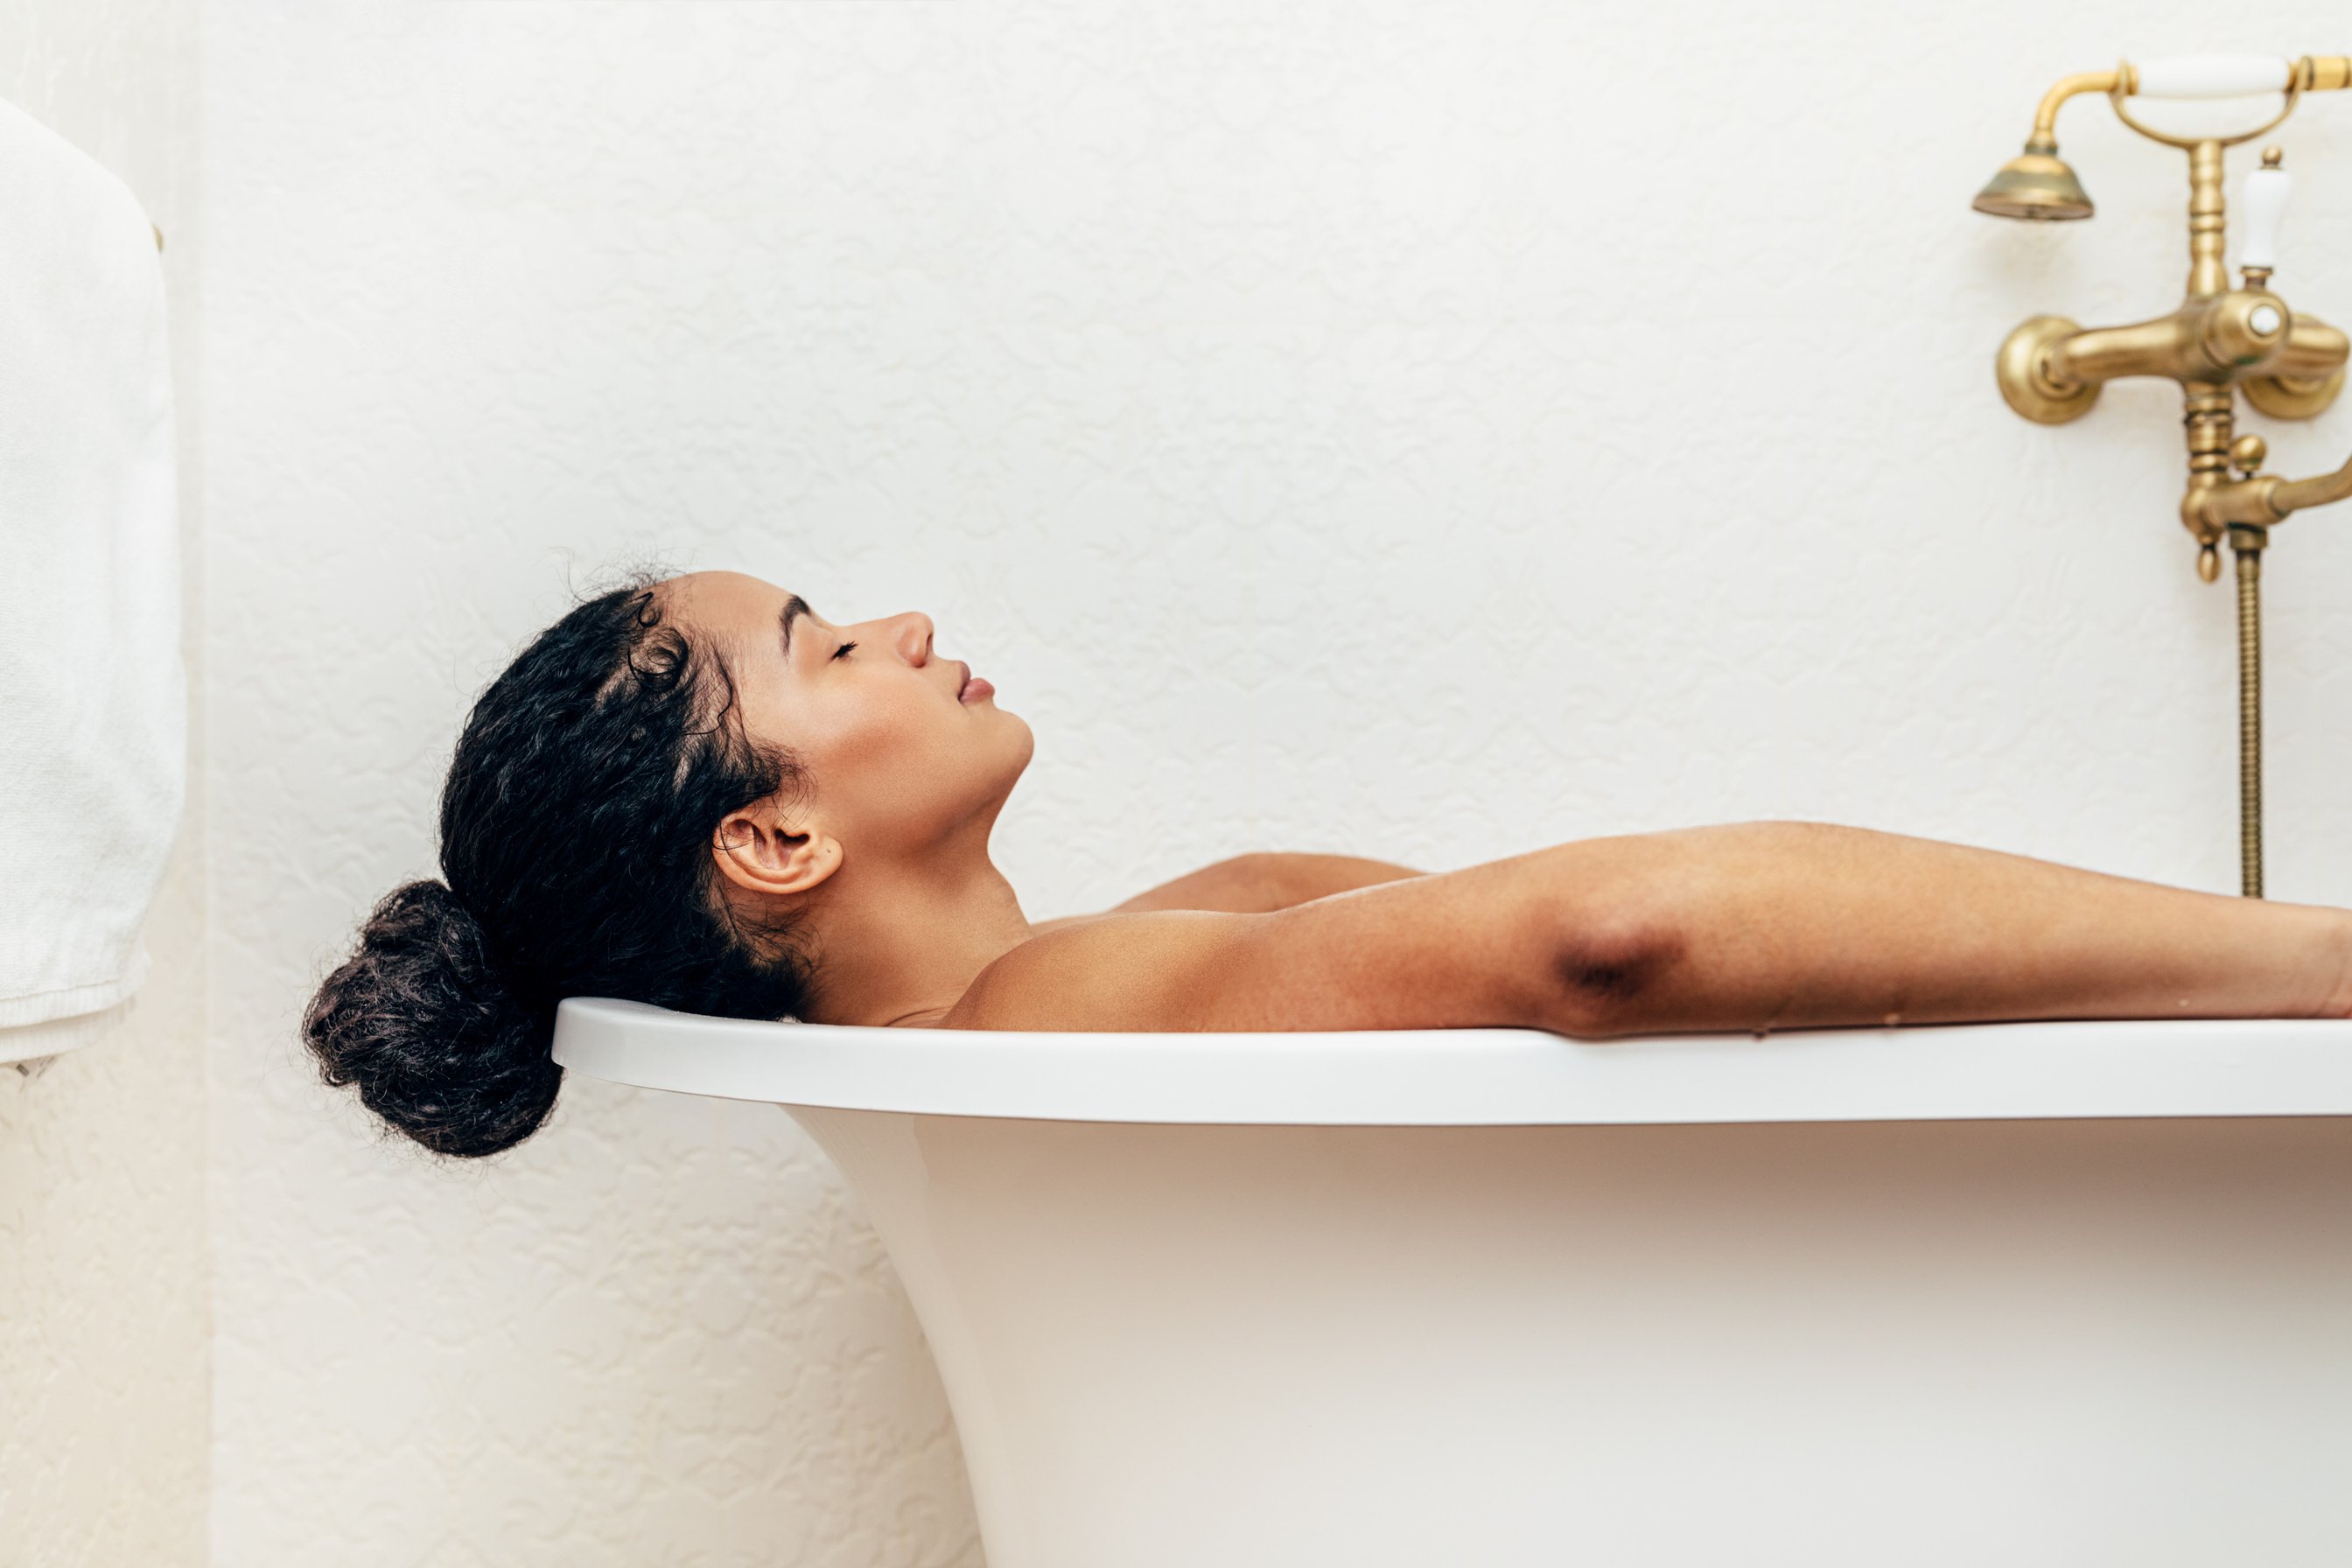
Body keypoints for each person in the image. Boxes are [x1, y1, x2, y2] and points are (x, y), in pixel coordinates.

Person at [301, 567, 2352, 1158]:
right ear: (775, 832)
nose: (909, 622)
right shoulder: (1051, 1015)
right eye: (828, 649)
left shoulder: (1130, 963)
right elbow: (1620, 935)